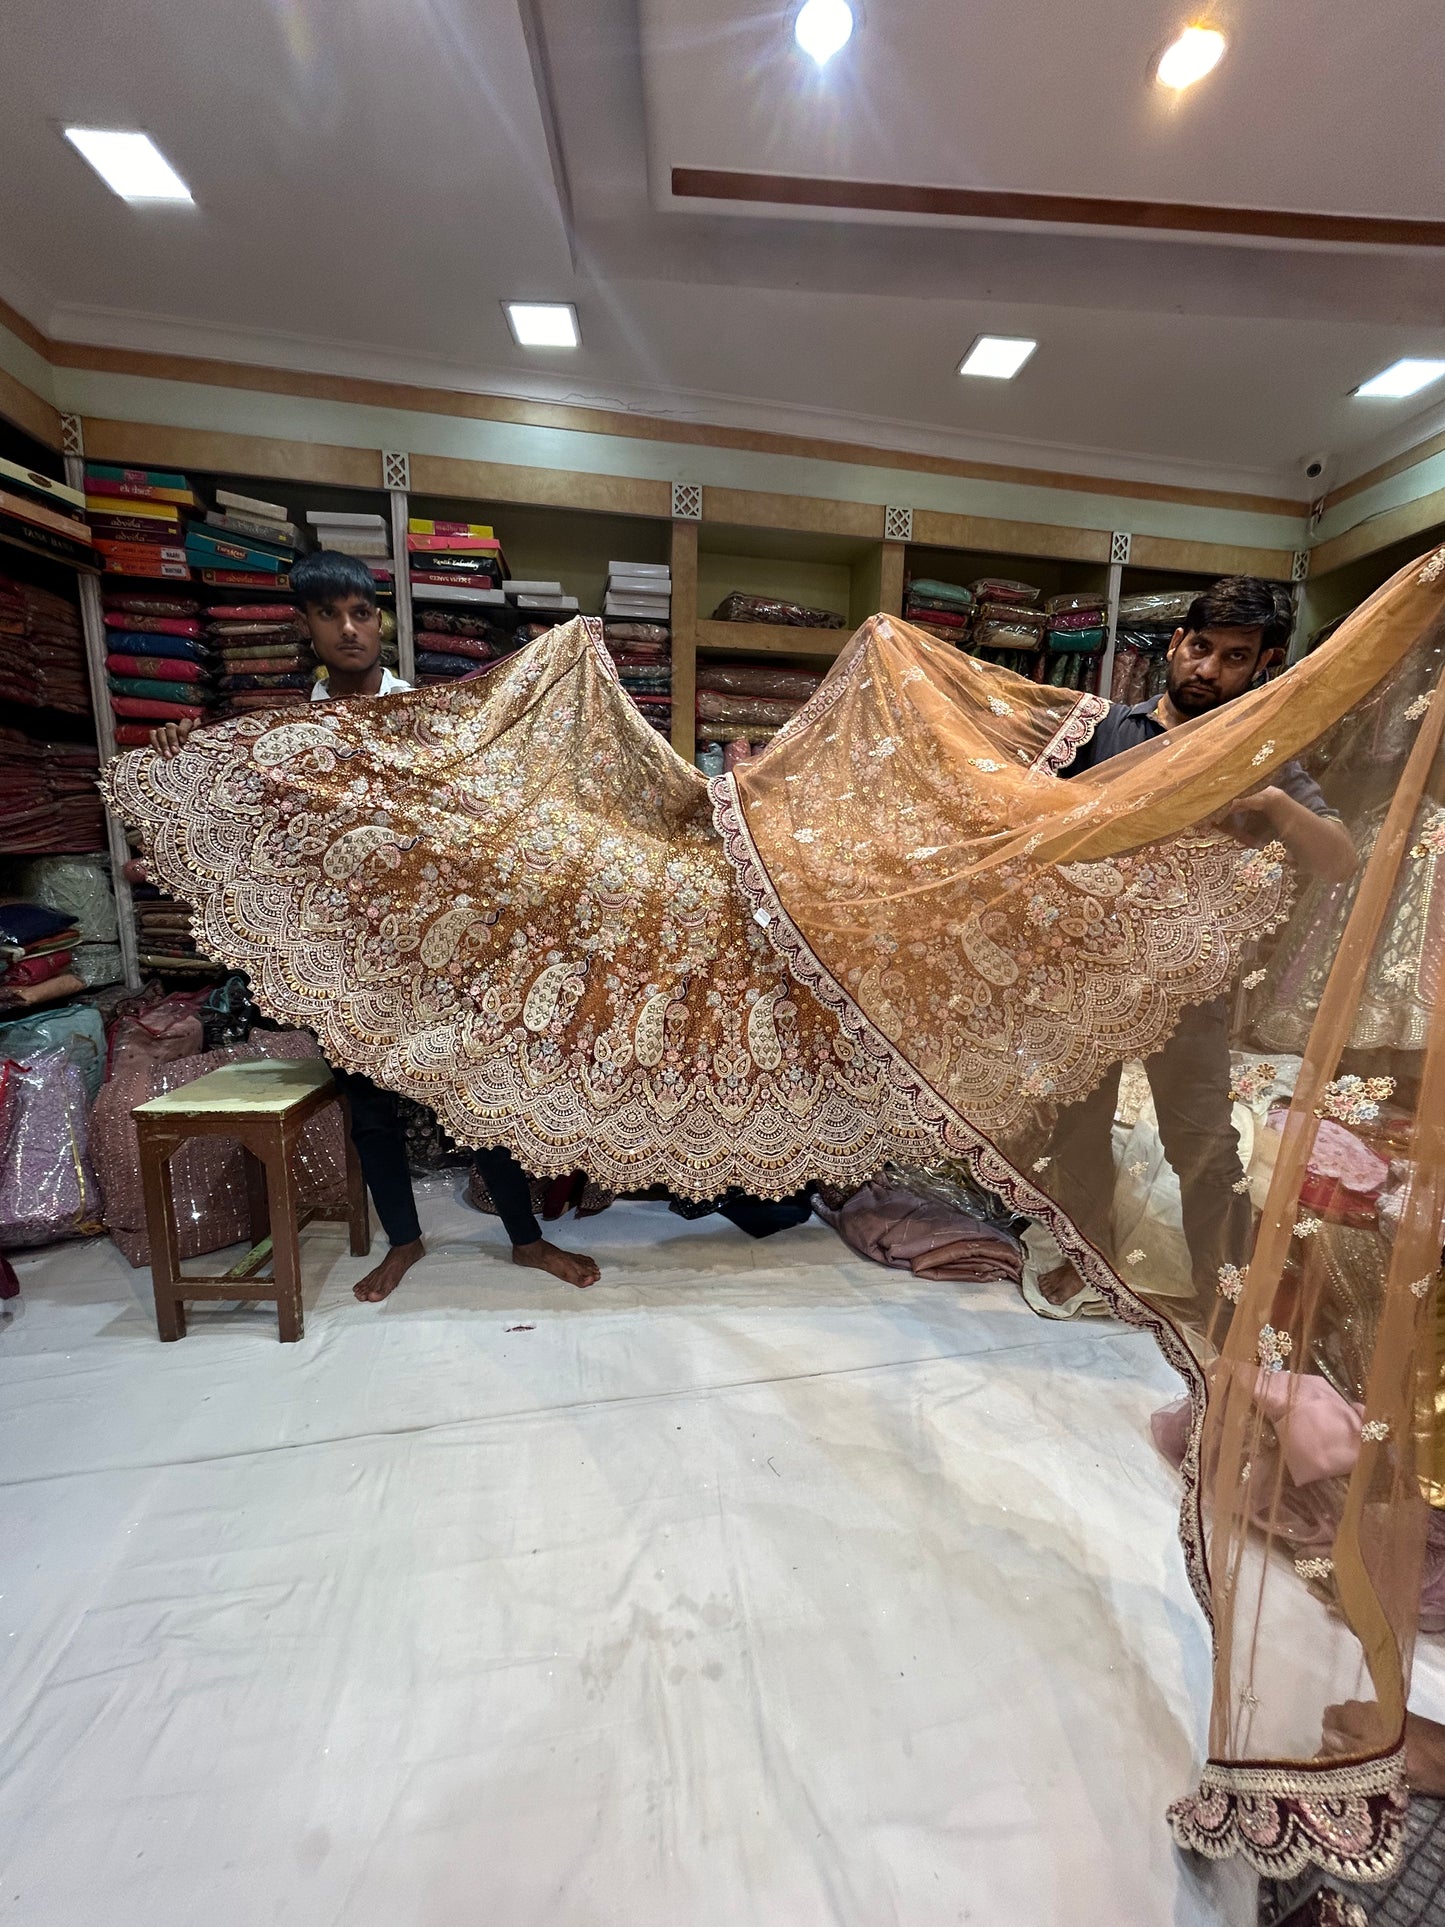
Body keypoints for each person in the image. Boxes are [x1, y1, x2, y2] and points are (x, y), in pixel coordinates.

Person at [149, 550, 601, 1300]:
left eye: (361, 612)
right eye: (329, 614)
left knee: (475, 1093)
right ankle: (404, 1242)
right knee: (371, 1108)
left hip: (436, 945)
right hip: (344, 949)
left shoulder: (426, 719)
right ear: (306, 626)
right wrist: (178, 754)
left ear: (380, 619)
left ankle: (525, 1239)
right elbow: (246, 806)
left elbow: (486, 799)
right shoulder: (294, 733)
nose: (349, 628)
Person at [1038, 576, 1358, 1321]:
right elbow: (1030, 825)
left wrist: (1274, 804)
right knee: (1076, 1129)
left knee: (1203, 1144)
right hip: (1091, 971)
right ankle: (1087, 1262)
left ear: (1264, 664)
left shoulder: (1257, 757)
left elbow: (1340, 859)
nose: (1206, 669)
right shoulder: (1102, 730)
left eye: (1233, 656)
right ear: (1176, 644)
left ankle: (1228, 1294)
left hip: (1188, 985)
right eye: (1199, 647)